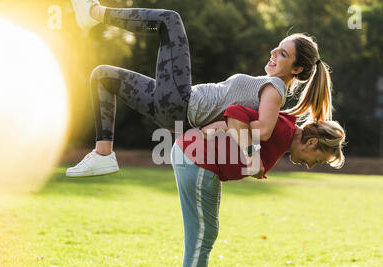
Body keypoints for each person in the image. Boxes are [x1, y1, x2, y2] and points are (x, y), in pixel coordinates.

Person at [66, 0, 334, 177]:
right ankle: (103, 154)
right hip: (175, 111)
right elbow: (256, 129)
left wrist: (226, 130)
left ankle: (94, 13)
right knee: (103, 77)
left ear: (297, 69)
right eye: (278, 46)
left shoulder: (275, 87)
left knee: (170, 21)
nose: (274, 51)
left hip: (181, 105)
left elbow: (263, 130)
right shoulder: (271, 88)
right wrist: (221, 129)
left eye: (284, 54)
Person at [172, 104, 346, 267]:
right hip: (197, 158)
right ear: (312, 142)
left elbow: (238, 126)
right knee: (203, 234)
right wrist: (250, 155)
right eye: (319, 160)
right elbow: (235, 112)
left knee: (205, 233)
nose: (312, 165)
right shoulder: (282, 130)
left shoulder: (284, 134)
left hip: (198, 160)